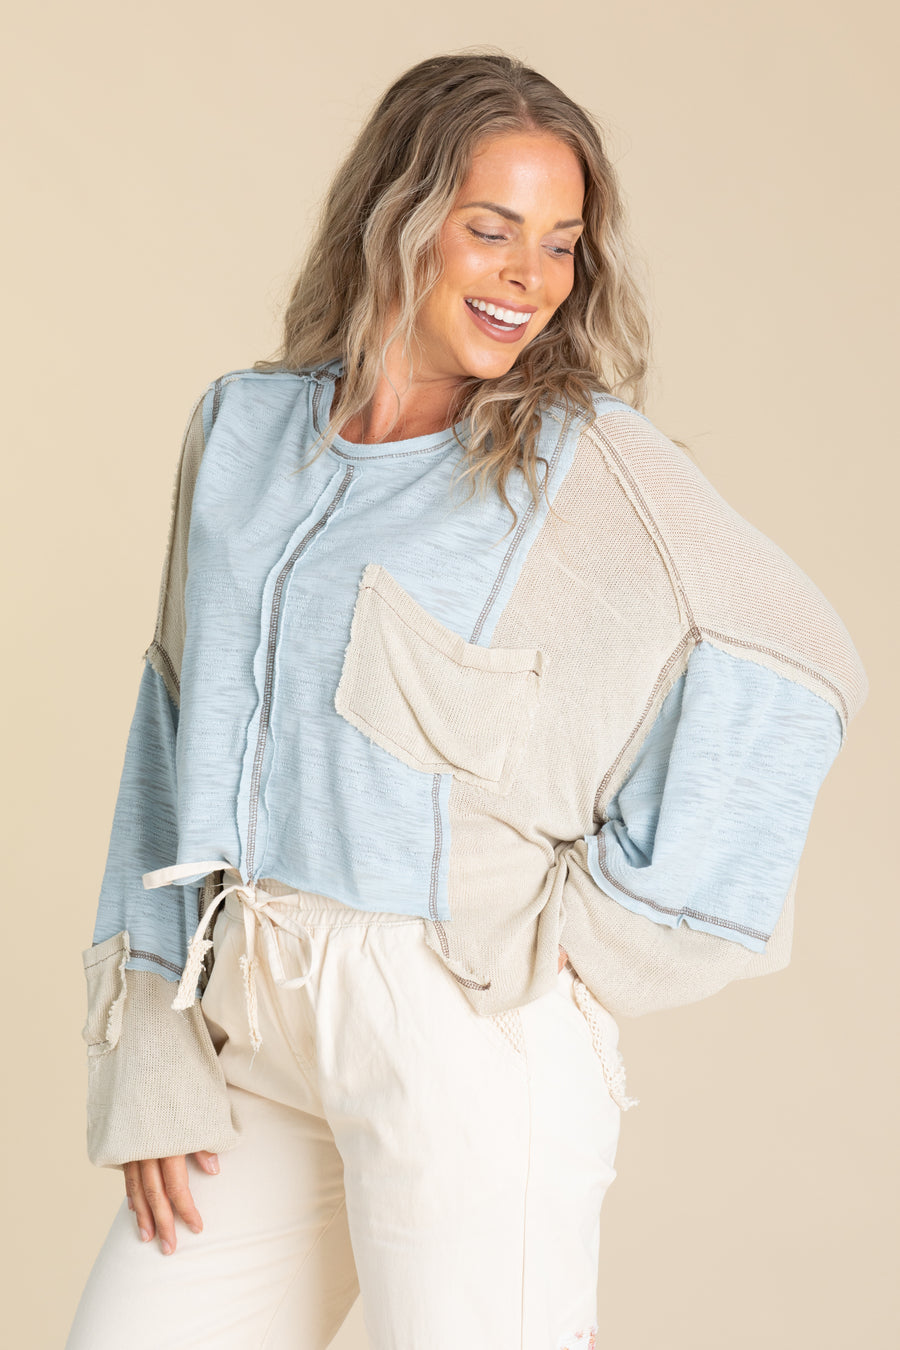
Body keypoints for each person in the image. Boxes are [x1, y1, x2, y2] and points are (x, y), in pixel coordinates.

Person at [66, 49, 868, 1350]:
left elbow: (800, 652)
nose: (528, 277)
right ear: (395, 215)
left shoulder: (577, 459)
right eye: (491, 229)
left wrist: (615, 922)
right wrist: (150, 1044)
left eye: (560, 245)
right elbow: (170, 724)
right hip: (250, 1015)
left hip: (460, 1034)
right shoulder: (241, 431)